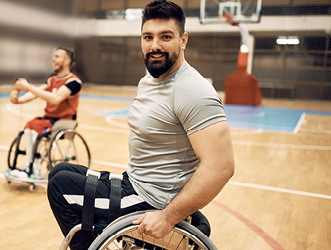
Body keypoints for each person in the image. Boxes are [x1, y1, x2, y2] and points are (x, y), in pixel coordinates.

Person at [46, 1, 235, 249]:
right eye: (148, 37)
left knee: (59, 187)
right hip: (134, 182)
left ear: (183, 40)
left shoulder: (193, 90)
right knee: (60, 171)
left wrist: (168, 217)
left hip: (152, 200)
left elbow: (221, 167)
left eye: (165, 37)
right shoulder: (151, 78)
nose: (155, 45)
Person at [9, 47, 82, 179]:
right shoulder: (52, 80)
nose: (53, 59)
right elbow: (33, 94)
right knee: (30, 125)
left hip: (64, 122)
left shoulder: (74, 82)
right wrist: (17, 97)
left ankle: (33, 168)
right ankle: (30, 165)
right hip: (49, 119)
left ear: (67, 61)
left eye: (57, 56)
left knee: (37, 127)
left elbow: (56, 98)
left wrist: (28, 86)